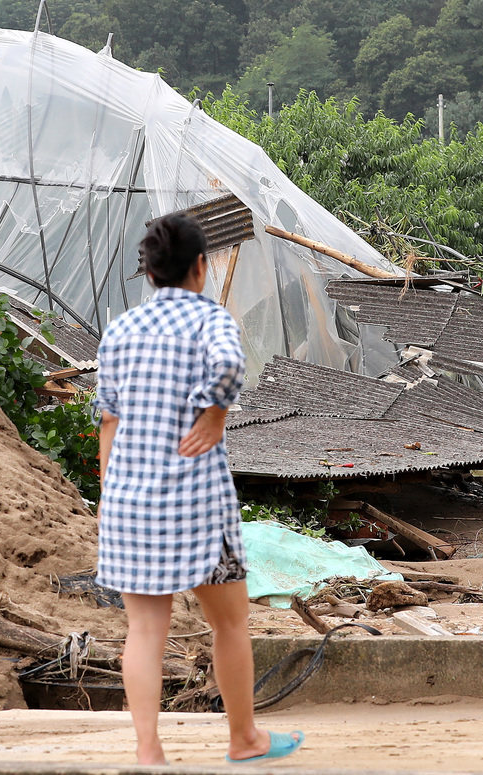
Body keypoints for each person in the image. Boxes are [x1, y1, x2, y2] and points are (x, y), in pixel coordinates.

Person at [93, 212, 304, 765]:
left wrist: (107, 501)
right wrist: (214, 413)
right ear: (200, 268)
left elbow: (107, 422)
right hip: (197, 506)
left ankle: (148, 751)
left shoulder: (120, 331)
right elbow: (231, 363)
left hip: (130, 504)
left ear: (149, 273)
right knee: (230, 622)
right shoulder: (210, 320)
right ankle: (244, 739)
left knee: (143, 631)